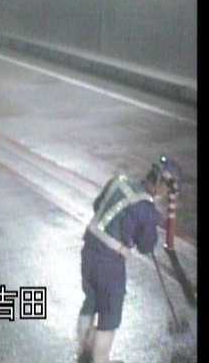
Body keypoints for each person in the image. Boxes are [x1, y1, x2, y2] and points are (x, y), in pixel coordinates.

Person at [76, 155, 181, 363]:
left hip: (88, 248)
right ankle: (100, 359)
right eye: (167, 191)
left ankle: (83, 350)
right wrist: (146, 226)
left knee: (91, 300)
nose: (164, 195)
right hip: (109, 262)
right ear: (161, 185)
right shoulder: (146, 209)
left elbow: (98, 205)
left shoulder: (119, 181)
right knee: (110, 313)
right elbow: (146, 246)